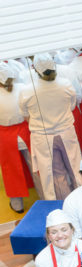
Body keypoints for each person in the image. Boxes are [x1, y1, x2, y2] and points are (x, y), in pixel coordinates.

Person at [18, 53, 82, 200]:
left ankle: (63, 205)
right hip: (66, 131)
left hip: (43, 137)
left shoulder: (27, 91)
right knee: (75, 167)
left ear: (35, 69)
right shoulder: (65, 85)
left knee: (55, 174)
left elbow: (25, 115)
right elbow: (72, 106)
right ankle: (81, 200)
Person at [0, 62, 34, 213]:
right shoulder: (22, 88)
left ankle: (17, 205)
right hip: (26, 131)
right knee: (36, 167)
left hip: (5, 136)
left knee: (10, 171)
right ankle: (45, 196)